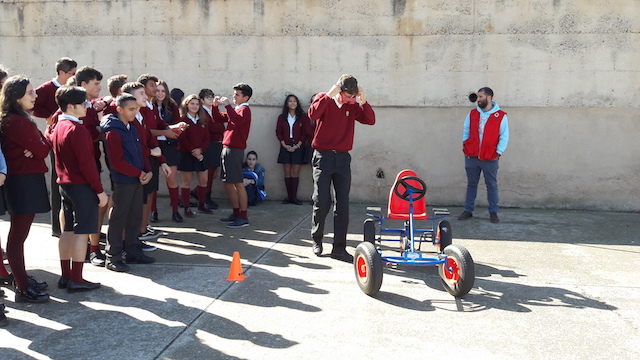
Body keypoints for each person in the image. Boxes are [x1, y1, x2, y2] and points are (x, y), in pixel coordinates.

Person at [307, 74, 375, 262]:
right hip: (323, 156)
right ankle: (317, 239)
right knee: (322, 201)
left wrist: (363, 100)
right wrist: (329, 95)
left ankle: (339, 247)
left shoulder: (352, 106)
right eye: (347, 96)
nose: (349, 100)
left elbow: (370, 120)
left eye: (352, 97)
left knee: (342, 205)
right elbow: (312, 114)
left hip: (343, 159)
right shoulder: (325, 99)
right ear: (338, 90)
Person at [50, 86, 107, 292]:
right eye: (83, 103)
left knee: (68, 230)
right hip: (81, 186)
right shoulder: (77, 129)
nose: (87, 106)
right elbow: (87, 164)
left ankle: (66, 276)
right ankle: (77, 278)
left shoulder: (58, 126)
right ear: (70, 106)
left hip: (65, 184)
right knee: (82, 233)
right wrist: (99, 190)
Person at [0, 75, 52, 302]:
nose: (36, 95)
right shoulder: (16, 121)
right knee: (17, 236)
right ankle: (21, 286)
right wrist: (37, 146)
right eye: (30, 92)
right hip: (21, 181)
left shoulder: (22, 118)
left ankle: (21, 278)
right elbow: (41, 150)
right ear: (16, 97)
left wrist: (38, 144)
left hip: (26, 179)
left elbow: (45, 144)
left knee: (20, 235)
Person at [100, 93, 155, 272]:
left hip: (138, 178)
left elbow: (140, 151)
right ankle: (113, 256)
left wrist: (147, 170)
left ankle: (133, 251)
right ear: (119, 110)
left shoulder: (131, 127)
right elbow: (116, 162)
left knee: (135, 216)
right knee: (118, 218)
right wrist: (138, 172)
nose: (135, 112)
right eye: (131, 109)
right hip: (124, 180)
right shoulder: (113, 131)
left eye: (136, 108)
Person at [32, 57, 77, 238]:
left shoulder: (70, 89)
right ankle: (56, 227)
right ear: (61, 72)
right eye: (71, 74)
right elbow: (34, 105)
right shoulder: (46, 89)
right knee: (57, 179)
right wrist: (48, 116)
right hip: (55, 136)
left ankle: (68, 223)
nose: (73, 76)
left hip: (68, 135)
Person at [457, 87, 509, 224]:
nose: (478, 100)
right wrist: (465, 145)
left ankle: (493, 212)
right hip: (471, 156)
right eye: (478, 97)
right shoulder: (472, 114)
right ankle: (468, 210)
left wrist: (498, 152)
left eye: (481, 97)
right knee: (471, 184)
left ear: (489, 98)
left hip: (490, 157)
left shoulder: (501, 116)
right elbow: (466, 130)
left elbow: (504, 135)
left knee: (491, 185)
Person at [215, 83, 253, 228]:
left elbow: (236, 121)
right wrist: (215, 106)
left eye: (237, 94)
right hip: (227, 147)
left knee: (237, 182)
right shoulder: (236, 109)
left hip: (235, 150)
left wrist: (227, 106)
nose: (233, 97)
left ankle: (243, 216)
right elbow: (218, 118)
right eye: (234, 94)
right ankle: (236, 213)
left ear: (245, 97)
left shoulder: (245, 109)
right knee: (228, 182)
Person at [153, 80, 186, 222]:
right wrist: (165, 132)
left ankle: (175, 210)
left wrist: (177, 128)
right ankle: (153, 211)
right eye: (157, 90)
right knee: (152, 180)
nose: (160, 93)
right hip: (153, 144)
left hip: (169, 145)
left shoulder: (172, 106)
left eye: (163, 91)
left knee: (171, 178)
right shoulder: (148, 106)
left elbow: (178, 126)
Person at [177, 94, 211, 218]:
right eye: (192, 104)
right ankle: (186, 208)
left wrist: (200, 150)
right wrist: (193, 151)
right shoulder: (182, 120)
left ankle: (202, 204)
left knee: (204, 181)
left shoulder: (203, 120)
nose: (195, 106)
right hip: (186, 155)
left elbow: (207, 138)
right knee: (186, 183)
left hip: (201, 154)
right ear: (187, 105)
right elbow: (182, 139)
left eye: (197, 104)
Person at [276, 94, 312, 205]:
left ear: (297, 103)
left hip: (298, 146)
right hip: (285, 145)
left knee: (295, 172)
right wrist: (284, 144)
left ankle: (294, 198)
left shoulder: (302, 116)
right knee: (287, 171)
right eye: (290, 101)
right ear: (287, 103)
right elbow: (278, 132)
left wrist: (298, 145)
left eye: (294, 101)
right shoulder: (282, 117)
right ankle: (289, 197)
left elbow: (304, 133)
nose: (292, 103)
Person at [198, 88, 225, 210]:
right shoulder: (202, 112)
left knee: (212, 174)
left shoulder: (213, 110)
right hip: (210, 145)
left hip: (217, 144)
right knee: (208, 174)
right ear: (202, 100)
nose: (211, 99)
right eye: (208, 97)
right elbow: (210, 128)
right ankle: (206, 197)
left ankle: (198, 192)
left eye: (212, 97)